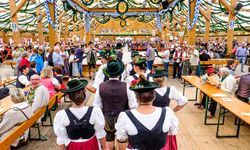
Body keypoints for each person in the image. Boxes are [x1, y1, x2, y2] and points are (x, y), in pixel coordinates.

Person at [115, 75, 179, 150]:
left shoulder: (125, 116)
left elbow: (121, 141)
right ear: (154, 96)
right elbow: (172, 132)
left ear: (136, 97)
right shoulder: (167, 112)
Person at [94, 60, 137, 150]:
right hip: (123, 117)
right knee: (122, 140)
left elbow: (97, 106)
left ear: (108, 73)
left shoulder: (101, 86)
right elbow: (133, 106)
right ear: (120, 73)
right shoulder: (127, 86)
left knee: (109, 140)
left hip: (107, 117)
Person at [54, 79, 107, 150]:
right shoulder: (95, 111)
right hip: (91, 146)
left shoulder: (61, 115)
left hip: (73, 147)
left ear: (68, 96)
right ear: (84, 93)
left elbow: (62, 140)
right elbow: (101, 134)